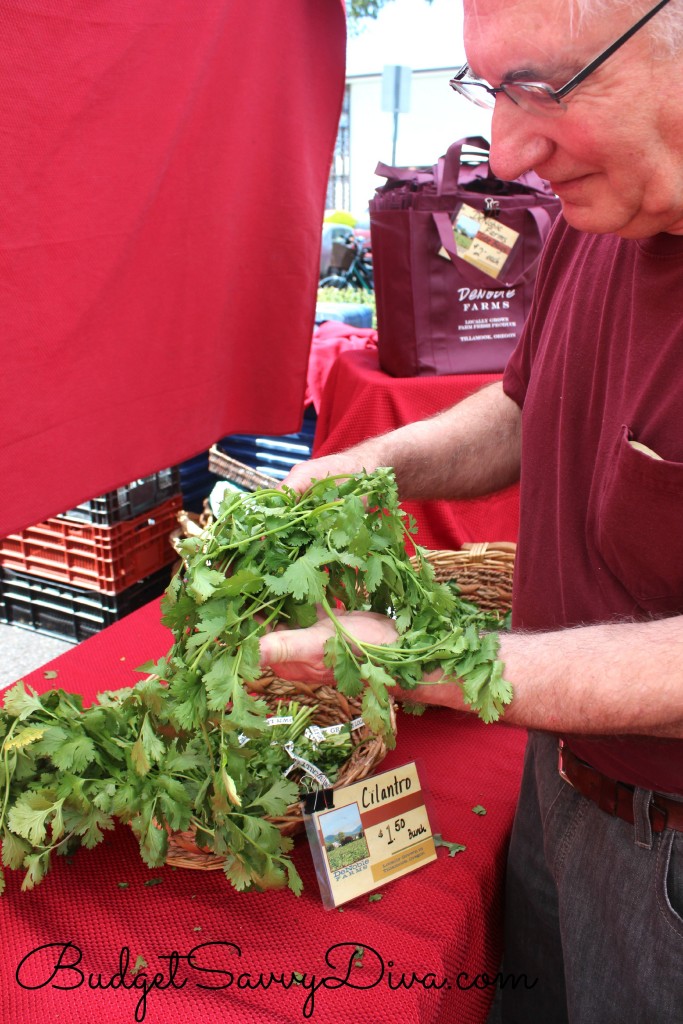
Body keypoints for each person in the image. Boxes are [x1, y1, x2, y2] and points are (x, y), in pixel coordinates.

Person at [259, 0, 683, 1020]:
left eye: (541, 88)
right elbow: (515, 410)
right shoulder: (606, 212)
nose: (505, 149)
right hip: (559, 766)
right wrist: (361, 471)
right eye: (486, 89)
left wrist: (406, 660)